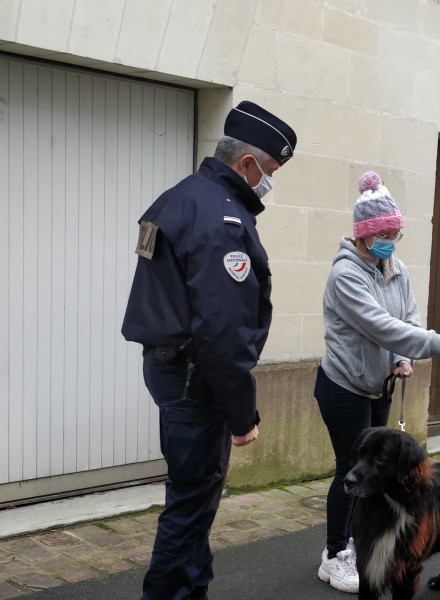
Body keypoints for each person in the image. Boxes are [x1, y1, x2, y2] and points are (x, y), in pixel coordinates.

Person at [121, 101, 297, 600]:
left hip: (171, 370)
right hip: (198, 379)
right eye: (271, 171)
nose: (270, 182)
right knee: (192, 502)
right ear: (247, 164)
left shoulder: (179, 198)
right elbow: (223, 329)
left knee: (193, 496)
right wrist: (242, 414)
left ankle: (193, 587)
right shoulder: (223, 221)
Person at [315, 170, 440, 594]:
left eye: (395, 232)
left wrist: (405, 357)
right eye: (384, 233)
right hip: (344, 386)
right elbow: (381, 327)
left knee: (375, 473)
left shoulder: (395, 267)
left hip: (380, 384)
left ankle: (360, 541)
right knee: (350, 472)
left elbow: (407, 319)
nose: (390, 240)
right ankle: (335, 554)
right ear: (364, 234)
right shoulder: (345, 276)